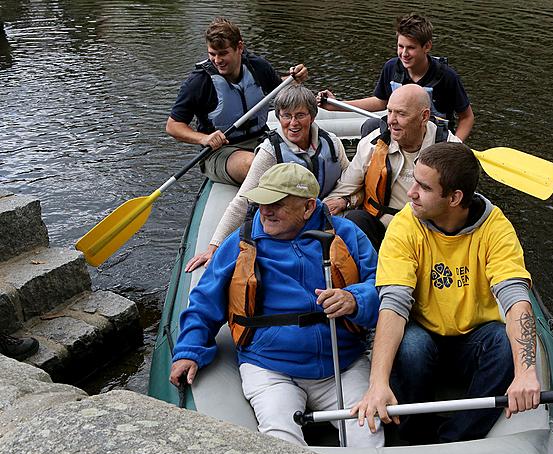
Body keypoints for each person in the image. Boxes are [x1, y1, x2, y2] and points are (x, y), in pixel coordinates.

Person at [170, 163, 384, 448]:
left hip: (341, 365)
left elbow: (381, 286)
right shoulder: (241, 243)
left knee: (368, 434)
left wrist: (355, 299)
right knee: (281, 442)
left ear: (308, 207)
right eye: (261, 202)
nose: (265, 211)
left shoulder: (347, 235)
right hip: (270, 368)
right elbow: (203, 302)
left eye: (277, 204)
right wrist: (188, 351)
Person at [352, 142, 541, 444]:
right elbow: (394, 304)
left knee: (503, 345)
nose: (411, 192)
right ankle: (412, 432)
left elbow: (515, 297)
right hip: (423, 332)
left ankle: (456, 439)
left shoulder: (496, 228)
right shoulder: (405, 225)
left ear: (454, 198)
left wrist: (527, 373)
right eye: (413, 180)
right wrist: (377, 383)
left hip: (473, 337)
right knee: (412, 347)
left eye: (423, 187)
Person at [184, 84, 350, 272]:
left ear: (312, 116)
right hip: (291, 226)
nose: (293, 123)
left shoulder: (332, 143)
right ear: (279, 117)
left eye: (300, 115)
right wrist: (214, 246)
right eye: (286, 116)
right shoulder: (270, 151)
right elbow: (243, 201)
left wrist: (344, 200)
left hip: (328, 218)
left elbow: (352, 181)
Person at [166, 17, 308, 186]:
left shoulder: (258, 67)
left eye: (223, 53)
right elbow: (173, 125)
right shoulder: (199, 82)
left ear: (240, 47)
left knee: (302, 157)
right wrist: (204, 139)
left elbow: (278, 88)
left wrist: (294, 78)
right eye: (212, 54)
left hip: (262, 139)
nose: (217, 60)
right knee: (255, 165)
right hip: (221, 151)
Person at [323, 84, 460, 250]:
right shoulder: (373, 144)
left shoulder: (451, 149)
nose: (391, 121)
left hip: (431, 232)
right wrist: (342, 202)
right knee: (355, 219)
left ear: (424, 116)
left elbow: (463, 204)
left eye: (401, 114)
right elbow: (345, 189)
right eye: (389, 111)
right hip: (384, 230)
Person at [318, 13, 474, 141]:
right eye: (401, 46)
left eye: (411, 48)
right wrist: (336, 104)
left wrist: (455, 145)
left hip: (433, 136)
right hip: (401, 130)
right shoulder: (392, 67)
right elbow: (380, 101)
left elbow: (466, 117)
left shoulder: (447, 76)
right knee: (370, 126)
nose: (404, 54)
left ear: (427, 46)